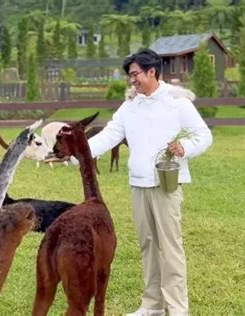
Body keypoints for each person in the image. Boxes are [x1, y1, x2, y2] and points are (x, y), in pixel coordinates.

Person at [87, 49, 212, 316]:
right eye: (130, 75)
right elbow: (109, 135)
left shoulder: (177, 103)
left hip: (166, 184)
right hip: (138, 185)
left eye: (135, 74)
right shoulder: (130, 106)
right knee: (147, 246)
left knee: (170, 247)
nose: (132, 80)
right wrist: (80, 152)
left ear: (152, 71)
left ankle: (178, 309)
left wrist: (185, 147)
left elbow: (204, 135)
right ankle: (152, 305)